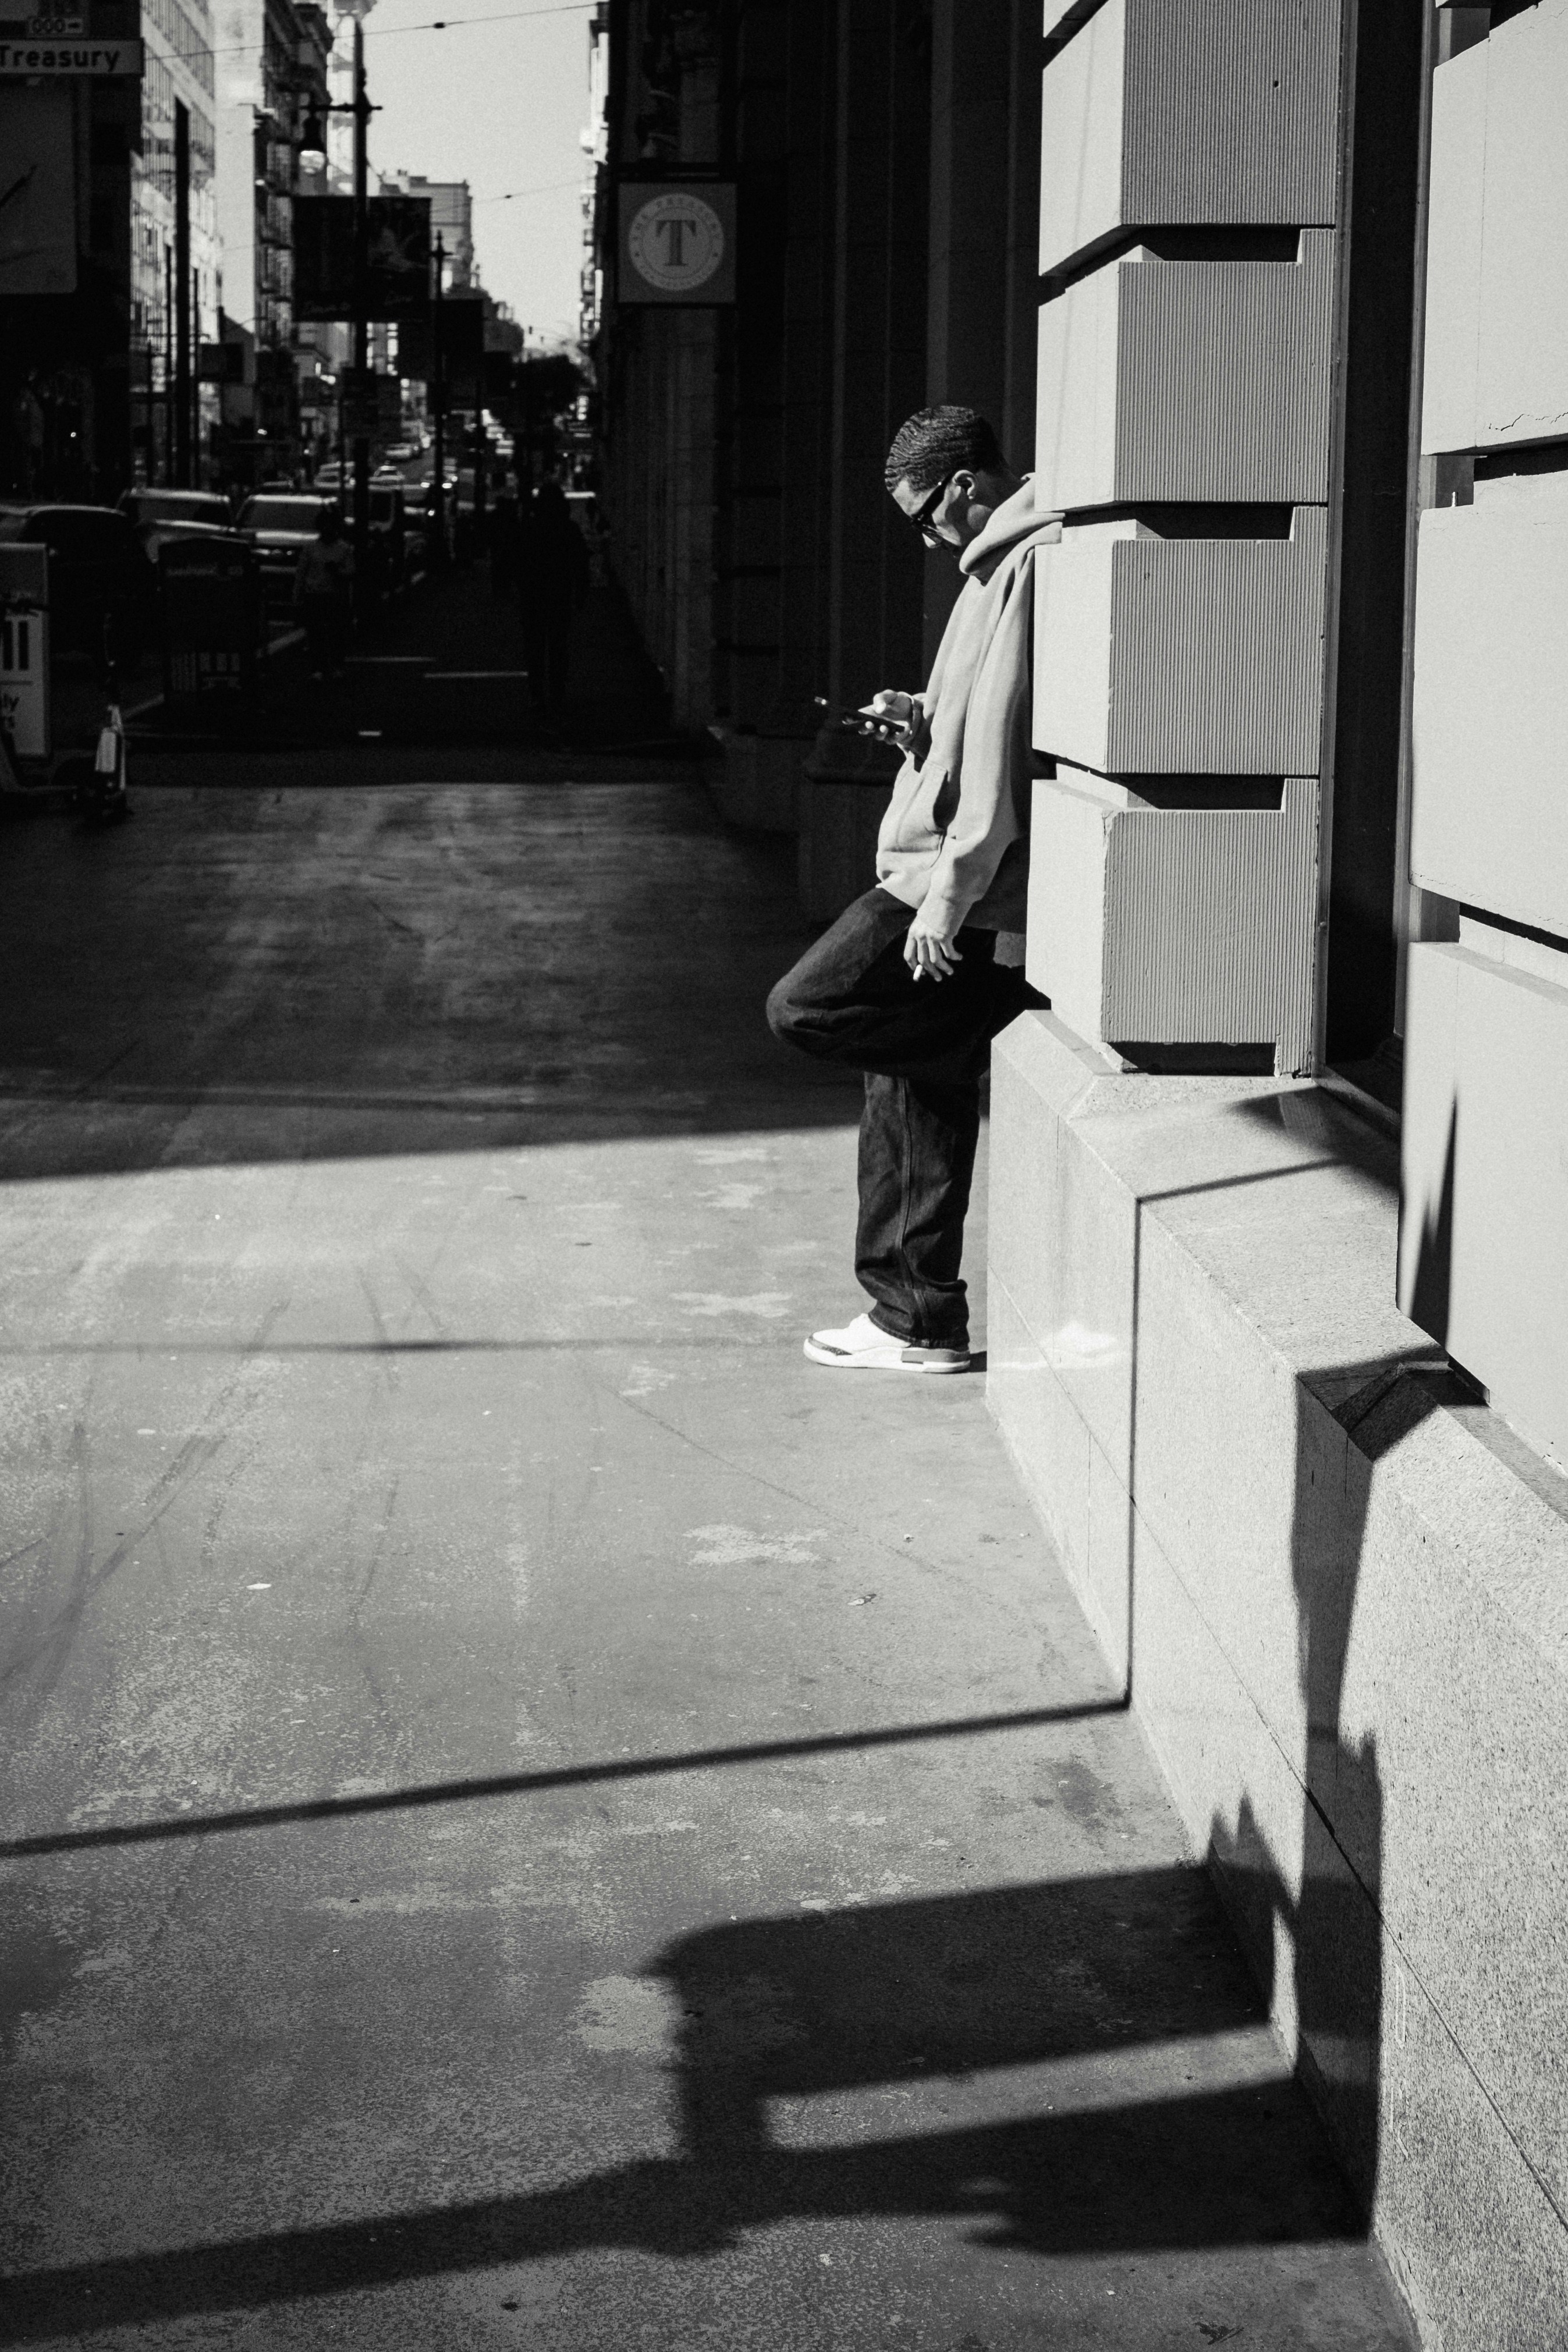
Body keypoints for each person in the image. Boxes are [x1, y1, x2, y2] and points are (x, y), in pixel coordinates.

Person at [767, 405, 1060, 1374]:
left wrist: (947, 897)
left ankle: (991, 1026)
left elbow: (1001, 754)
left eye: (925, 514)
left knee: (805, 1007)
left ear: (967, 485)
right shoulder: (991, 569)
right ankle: (915, 1316)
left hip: (942, 883)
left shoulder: (1019, 565)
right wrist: (918, 716)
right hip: (940, 873)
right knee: (908, 1085)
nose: (923, 536)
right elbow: (970, 723)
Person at [519, 480, 591, 722]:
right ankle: (557, 696)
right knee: (558, 647)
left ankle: (537, 695)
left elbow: (518, 559)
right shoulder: (568, 529)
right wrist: (581, 593)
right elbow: (581, 564)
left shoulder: (530, 527)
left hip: (533, 595)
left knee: (535, 648)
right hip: (560, 594)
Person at [293, 505, 354, 682]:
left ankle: (336, 665)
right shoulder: (311, 548)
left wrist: (338, 572)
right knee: (315, 634)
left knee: (336, 633)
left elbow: (351, 571)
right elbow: (301, 574)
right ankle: (318, 667)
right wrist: (297, 598)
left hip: (334, 596)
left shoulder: (344, 549)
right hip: (315, 596)